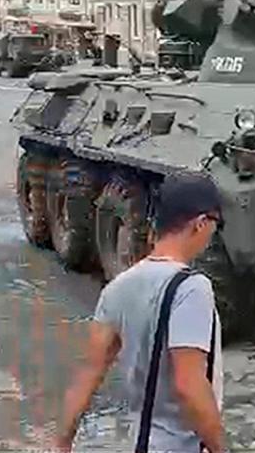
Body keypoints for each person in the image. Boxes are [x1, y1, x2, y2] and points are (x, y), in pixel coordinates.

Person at [56, 173, 226, 453]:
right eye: (214, 226)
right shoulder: (192, 288)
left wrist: (62, 441)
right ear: (200, 224)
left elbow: (89, 372)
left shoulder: (118, 287)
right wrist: (221, 448)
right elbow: (189, 384)